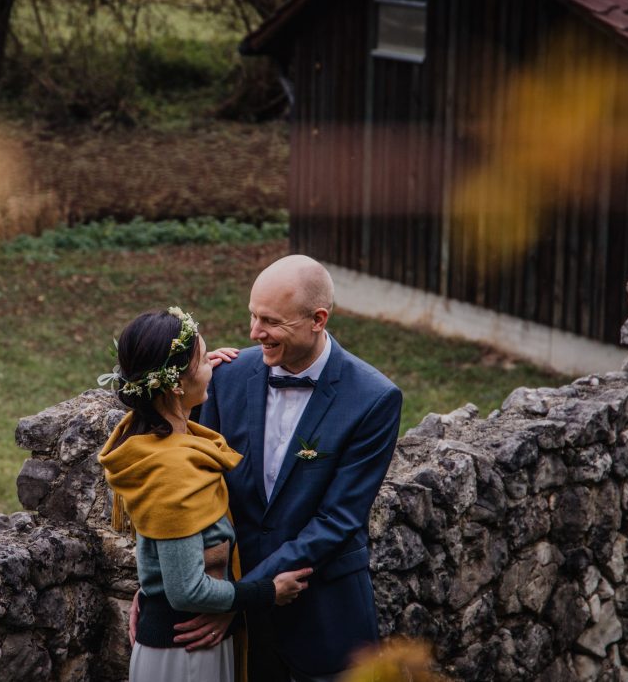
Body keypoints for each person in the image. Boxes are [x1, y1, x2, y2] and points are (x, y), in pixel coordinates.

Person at [175, 254, 403, 682]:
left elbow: (337, 520)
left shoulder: (373, 399)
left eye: (271, 322)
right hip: (233, 619)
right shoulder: (226, 376)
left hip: (324, 616)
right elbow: (193, 487)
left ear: (318, 319)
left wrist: (242, 598)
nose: (254, 332)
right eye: (252, 316)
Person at [97, 307, 313, 682]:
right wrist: (268, 591)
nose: (216, 365)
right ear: (175, 383)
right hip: (185, 652)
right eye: (204, 359)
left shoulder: (148, 435)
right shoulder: (173, 469)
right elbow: (185, 590)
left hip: (192, 644)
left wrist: (188, 385)